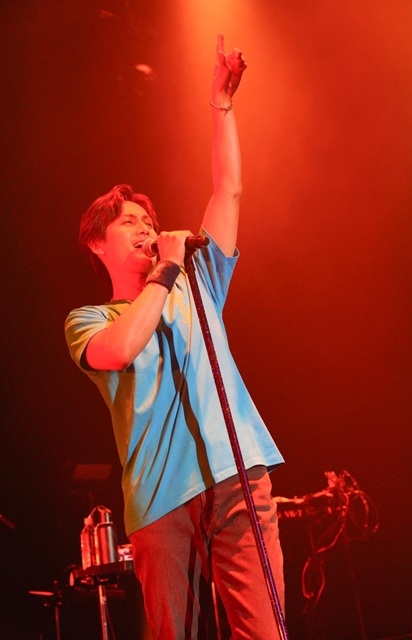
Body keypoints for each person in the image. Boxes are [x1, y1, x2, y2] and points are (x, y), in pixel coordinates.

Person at [65, 33, 285, 640]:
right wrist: (164, 269)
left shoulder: (197, 280)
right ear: (97, 243)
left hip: (237, 477)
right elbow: (120, 350)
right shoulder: (90, 319)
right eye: (129, 223)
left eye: (149, 221)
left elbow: (228, 190)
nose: (145, 228)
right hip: (161, 501)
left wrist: (221, 104)